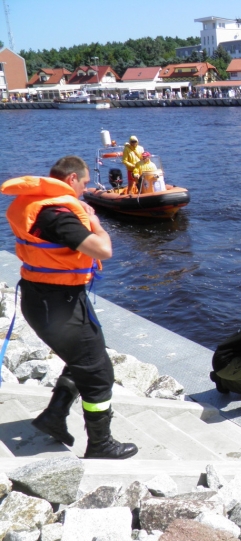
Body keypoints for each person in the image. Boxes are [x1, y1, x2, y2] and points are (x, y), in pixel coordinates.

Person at [1, 156, 138, 459]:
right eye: (85, 182)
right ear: (72, 179)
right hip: (58, 306)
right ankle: (101, 443)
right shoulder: (56, 215)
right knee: (99, 373)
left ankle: (54, 416)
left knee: (86, 358)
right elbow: (103, 250)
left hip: (47, 299)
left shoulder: (41, 206)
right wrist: (96, 224)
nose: (85, 189)